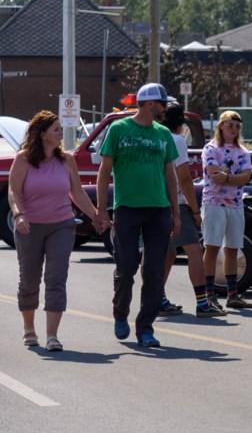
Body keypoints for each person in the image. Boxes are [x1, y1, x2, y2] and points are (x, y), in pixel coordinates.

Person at [8, 111, 105, 351]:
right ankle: (29, 328)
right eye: (57, 130)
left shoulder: (67, 160)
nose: (62, 133)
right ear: (43, 135)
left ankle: (52, 335)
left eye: (61, 129)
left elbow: (77, 193)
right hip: (29, 225)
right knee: (29, 280)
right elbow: (14, 191)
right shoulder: (23, 159)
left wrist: (96, 216)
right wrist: (19, 215)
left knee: (56, 278)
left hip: (61, 224)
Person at [96, 82, 181, 347]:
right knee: (126, 267)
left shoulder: (164, 134)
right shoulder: (119, 129)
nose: (165, 109)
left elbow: (170, 174)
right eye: (163, 104)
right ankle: (120, 314)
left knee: (154, 271)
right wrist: (100, 210)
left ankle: (146, 328)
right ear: (149, 103)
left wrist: (176, 213)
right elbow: (104, 172)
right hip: (128, 209)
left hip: (158, 211)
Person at [159, 102, 224, 318]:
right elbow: (185, 179)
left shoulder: (154, 137)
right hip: (176, 202)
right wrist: (195, 211)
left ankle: (157, 297)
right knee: (194, 250)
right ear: (180, 123)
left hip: (156, 202)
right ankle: (202, 302)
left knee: (166, 253)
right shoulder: (176, 140)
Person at [201, 111, 252, 310]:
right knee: (212, 247)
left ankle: (233, 294)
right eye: (230, 125)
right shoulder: (211, 149)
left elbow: (246, 177)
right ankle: (209, 294)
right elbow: (213, 174)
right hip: (214, 201)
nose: (233, 129)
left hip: (235, 203)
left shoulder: (243, 152)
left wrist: (227, 178)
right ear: (221, 126)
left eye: (237, 126)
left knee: (232, 248)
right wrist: (233, 177)